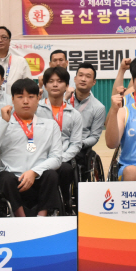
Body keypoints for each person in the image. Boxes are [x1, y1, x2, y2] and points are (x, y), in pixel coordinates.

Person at [0, 79, 62, 217]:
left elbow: (56, 158)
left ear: (38, 98)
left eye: (30, 97)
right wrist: (4, 123)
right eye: (20, 97)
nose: (25, 101)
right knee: (7, 179)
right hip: (10, 178)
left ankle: (41, 218)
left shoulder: (50, 125)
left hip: (37, 177)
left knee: (52, 175)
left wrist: (34, 172)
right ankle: (20, 217)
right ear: (12, 99)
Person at [36, 67, 83, 211]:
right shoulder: (35, 110)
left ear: (67, 86)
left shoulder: (74, 114)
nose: (55, 85)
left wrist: (60, 158)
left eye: (59, 81)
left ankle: (62, 204)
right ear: (45, 85)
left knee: (66, 169)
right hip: (38, 157)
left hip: (62, 158)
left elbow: (75, 144)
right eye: (51, 81)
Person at [68, 63, 106, 169]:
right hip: (60, 144)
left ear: (94, 82)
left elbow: (95, 136)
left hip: (81, 148)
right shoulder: (64, 101)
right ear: (75, 79)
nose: (83, 79)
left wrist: (79, 143)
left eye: (88, 76)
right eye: (80, 75)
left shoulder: (99, 107)